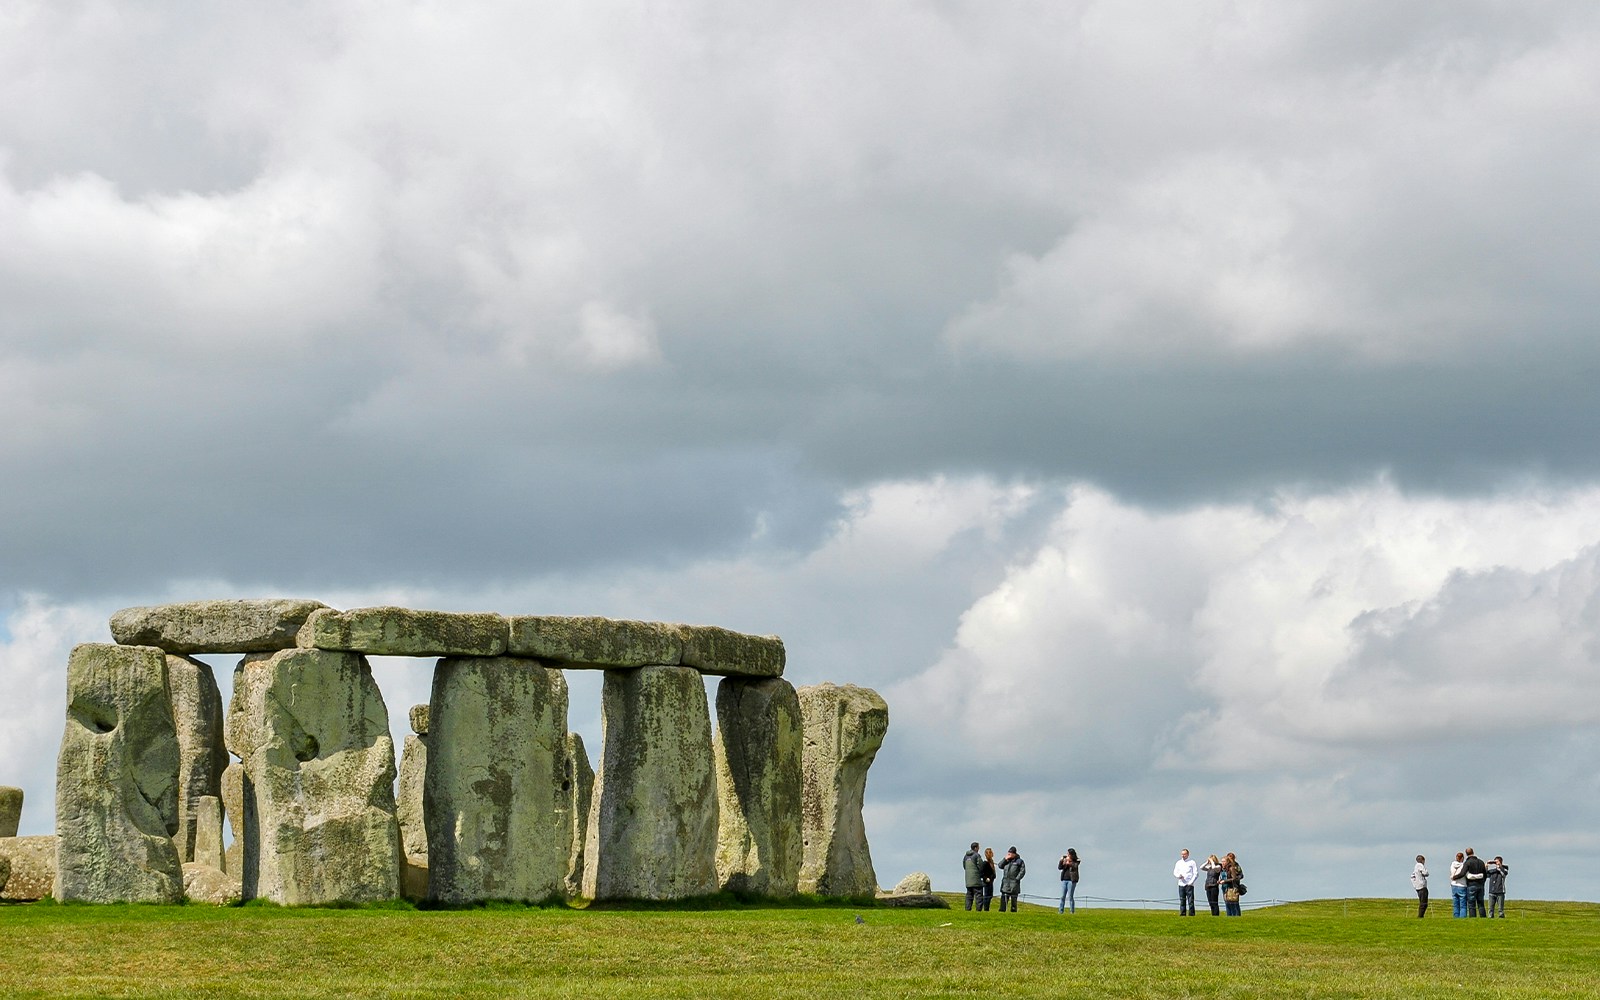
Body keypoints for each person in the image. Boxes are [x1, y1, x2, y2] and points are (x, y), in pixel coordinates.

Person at [999, 846, 1026, 912]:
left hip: (1014, 883)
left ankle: (1013, 911)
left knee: (1014, 899)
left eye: (1010, 853)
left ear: (1014, 854)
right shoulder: (1006, 860)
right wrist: (1005, 859)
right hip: (1005, 883)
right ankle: (1002, 910)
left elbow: (1022, 871)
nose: (1009, 855)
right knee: (1004, 898)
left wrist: (1017, 879)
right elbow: (1000, 865)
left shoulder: (1019, 861)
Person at [1462, 847, 1488, 918]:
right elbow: (1485, 874)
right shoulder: (1481, 862)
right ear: (1473, 852)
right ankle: (1483, 917)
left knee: (1471, 904)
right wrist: (1482, 882)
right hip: (1480, 885)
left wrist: (1455, 877)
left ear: (1466, 854)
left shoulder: (1467, 862)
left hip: (1471, 885)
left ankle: (1473, 918)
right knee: (1481, 903)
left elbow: (1463, 873)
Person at [1173, 849, 1198, 916]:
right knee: (1182, 900)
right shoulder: (1178, 863)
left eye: (1184, 854)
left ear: (1187, 854)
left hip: (1189, 884)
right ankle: (1182, 913)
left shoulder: (1192, 862)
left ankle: (1191, 914)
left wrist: (1191, 882)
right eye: (1182, 854)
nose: (1183, 855)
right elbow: (1175, 872)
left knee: (1190, 901)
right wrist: (1179, 876)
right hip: (1181, 884)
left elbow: (1195, 873)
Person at [1220, 852, 1244, 917]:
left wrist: (1236, 880)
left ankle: (1236, 915)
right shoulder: (1223, 868)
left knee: (1234, 902)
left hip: (1232, 886)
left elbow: (1240, 875)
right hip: (1225, 887)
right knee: (1227, 902)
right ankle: (1229, 916)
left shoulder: (1234, 866)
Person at [1057, 848, 1080, 914]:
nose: (1067, 855)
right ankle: (1061, 911)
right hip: (1064, 880)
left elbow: (1075, 866)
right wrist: (1061, 861)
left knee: (1070, 896)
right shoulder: (1065, 860)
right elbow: (1059, 867)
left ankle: (1072, 911)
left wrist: (1069, 863)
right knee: (1062, 896)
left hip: (1071, 881)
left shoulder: (1076, 861)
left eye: (1068, 854)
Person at [962, 842, 983, 911]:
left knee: (969, 895)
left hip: (968, 879)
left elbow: (964, 866)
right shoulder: (977, 855)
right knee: (978, 895)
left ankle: (967, 909)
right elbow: (981, 866)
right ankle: (978, 910)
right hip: (976, 879)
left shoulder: (965, 856)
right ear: (976, 848)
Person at [979, 847, 997, 911]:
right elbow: (981, 873)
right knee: (987, 896)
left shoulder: (991, 862)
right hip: (987, 882)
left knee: (990, 895)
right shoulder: (985, 863)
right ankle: (986, 909)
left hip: (991, 881)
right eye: (991, 853)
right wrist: (986, 878)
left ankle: (987, 908)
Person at [1449, 852, 1466, 918]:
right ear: (1462, 858)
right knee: (1463, 904)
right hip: (1462, 884)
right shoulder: (1463, 865)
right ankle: (1462, 917)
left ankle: (1456, 916)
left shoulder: (1452, 865)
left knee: (1456, 903)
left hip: (1454, 884)